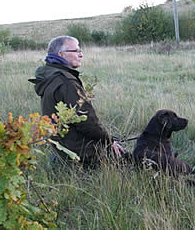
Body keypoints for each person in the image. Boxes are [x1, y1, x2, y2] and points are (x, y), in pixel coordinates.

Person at [29, 36, 126, 168]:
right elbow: (87, 123)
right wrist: (109, 141)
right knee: (126, 158)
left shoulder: (50, 75)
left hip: (61, 146)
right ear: (61, 54)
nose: (81, 54)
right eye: (76, 50)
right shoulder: (66, 82)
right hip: (77, 150)